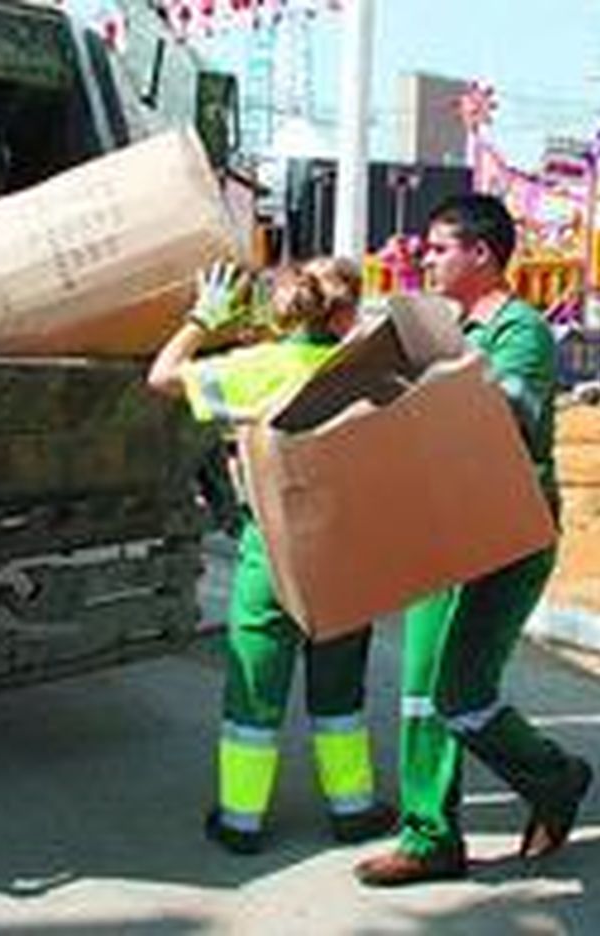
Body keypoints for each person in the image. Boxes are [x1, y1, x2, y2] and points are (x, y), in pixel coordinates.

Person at [355, 194, 593, 887]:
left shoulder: (521, 331)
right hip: (440, 529)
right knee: (420, 689)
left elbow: (507, 412)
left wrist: (425, 377)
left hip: (507, 537)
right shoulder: (441, 329)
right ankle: (430, 836)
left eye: (438, 248)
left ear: (481, 254)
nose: (425, 259)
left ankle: (558, 778)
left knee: (464, 694)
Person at [148, 257, 395, 855]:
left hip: (273, 550)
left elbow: (162, 376)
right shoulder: (370, 376)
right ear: (345, 310)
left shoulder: (256, 369)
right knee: (339, 689)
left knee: (255, 686)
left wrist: (205, 318)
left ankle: (241, 820)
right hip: (345, 554)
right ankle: (353, 809)